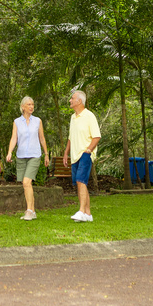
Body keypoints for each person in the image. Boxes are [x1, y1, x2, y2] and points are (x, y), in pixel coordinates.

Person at [6, 96, 49, 220]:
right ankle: (33, 211)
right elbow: (14, 138)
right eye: (29, 105)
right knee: (26, 185)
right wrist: (9, 152)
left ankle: (29, 211)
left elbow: (42, 138)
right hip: (21, 156)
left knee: (27, 182)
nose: (31, 107)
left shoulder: (38, 121)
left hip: (35, 155)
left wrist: (46, 154)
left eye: (33, 105)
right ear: (23, 107)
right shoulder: (17, 122)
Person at [63, 89, 100, 222]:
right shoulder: (73, 118)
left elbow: (96, 136)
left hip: (85, 153)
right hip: (74, 155)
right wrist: (66, 153)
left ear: (79, 101)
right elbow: (70, 138)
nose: (70, 101)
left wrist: (88, 150)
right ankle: (88, 214)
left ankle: (81, 211)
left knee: (80, 180)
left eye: (72, 98)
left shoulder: (89, 116)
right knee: (80, 183)